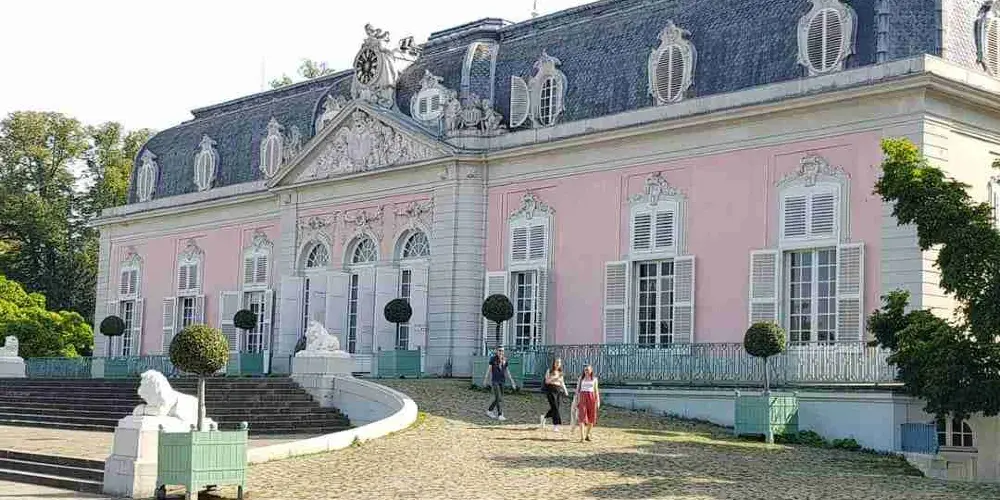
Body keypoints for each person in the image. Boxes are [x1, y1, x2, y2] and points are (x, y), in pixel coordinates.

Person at [483, 346, 516, 421]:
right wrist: (485, 379)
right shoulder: (493, 359)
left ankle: (489, 411)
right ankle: (500, 414)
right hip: (495, 381)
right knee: (499, 398)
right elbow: (489, 369)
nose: (501, 352)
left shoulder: (505, 360)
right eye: (499, 350)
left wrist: (512, 381)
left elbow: (507, 371)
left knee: (499, 398)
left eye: (502, 351)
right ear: (497, 351)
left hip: (502, 381)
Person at [540, 358, 569, 431]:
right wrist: (555, 378)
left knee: (555, 408)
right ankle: (556, 425)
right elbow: (547, 381)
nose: (558, 364)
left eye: (559, 362)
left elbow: (562, 382)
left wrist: (565, 390)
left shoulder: (560, 372)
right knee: (555, 407)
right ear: (554, 363)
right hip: (550, 390)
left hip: (558, 390)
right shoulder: (549, 371)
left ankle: (544, 417)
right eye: (556, 362)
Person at [575, 364, 600, 442]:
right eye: (585, 370)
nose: (587, 371)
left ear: (591, 370)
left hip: (591, 397)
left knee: (591, 417)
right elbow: (577, 390)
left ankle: (587, 435)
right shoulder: (581, 378)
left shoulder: (594, 379)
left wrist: (598, 400)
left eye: (588, 370)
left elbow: (596, 391)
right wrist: (576, 399)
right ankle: (582, 437)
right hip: (582, 397)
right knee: (582, 416)